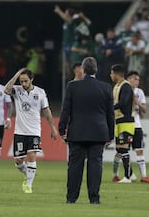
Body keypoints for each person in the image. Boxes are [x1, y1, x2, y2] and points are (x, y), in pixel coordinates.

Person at [59, 57, 114, 204]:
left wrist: (62, 129)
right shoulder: (106, 87)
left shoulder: (72, 86)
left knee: (75, 166)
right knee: (96, 164)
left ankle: (71, 198)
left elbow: (66, 110)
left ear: (82, 69)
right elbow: (110, 114)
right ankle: (94, 198)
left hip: (77, 132)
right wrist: (111, 134)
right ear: (96, 70)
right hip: (99, 132)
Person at [4, 68, 58, 194]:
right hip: (20, 131)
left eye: (26, 81)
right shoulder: (17, 90)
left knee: (32, 156)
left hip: (34, 130)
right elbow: (6, 90)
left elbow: (46, 111)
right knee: (18, 161)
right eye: (21, 81)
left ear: (31, 79)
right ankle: (27, 174)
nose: (23, 84)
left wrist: (53, 128)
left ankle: (28, 185)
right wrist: (16, 74)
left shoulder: (40, 92)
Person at [112, 71, 149, 183]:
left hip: (136, 125)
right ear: (129, 79)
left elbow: (144, 110)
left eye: (138, 79)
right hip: (124, 122)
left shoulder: (140, 92)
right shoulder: (122, 88)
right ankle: (117, 174)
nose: (137, 81)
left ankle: (143, 176)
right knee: (120, 149)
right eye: (135, 79)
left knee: (138, 150)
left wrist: (137, 102)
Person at [110, 64, 135, 183]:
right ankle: (131, 174)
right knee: (119, 149)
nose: (110, 76)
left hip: (126, 121)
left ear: (116, 74)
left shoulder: (126, 86)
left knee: (124, 148)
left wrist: (110, 108)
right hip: (118, 121)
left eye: (111, 73)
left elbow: (124, 102)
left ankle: (127, 177)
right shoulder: (116, 86)